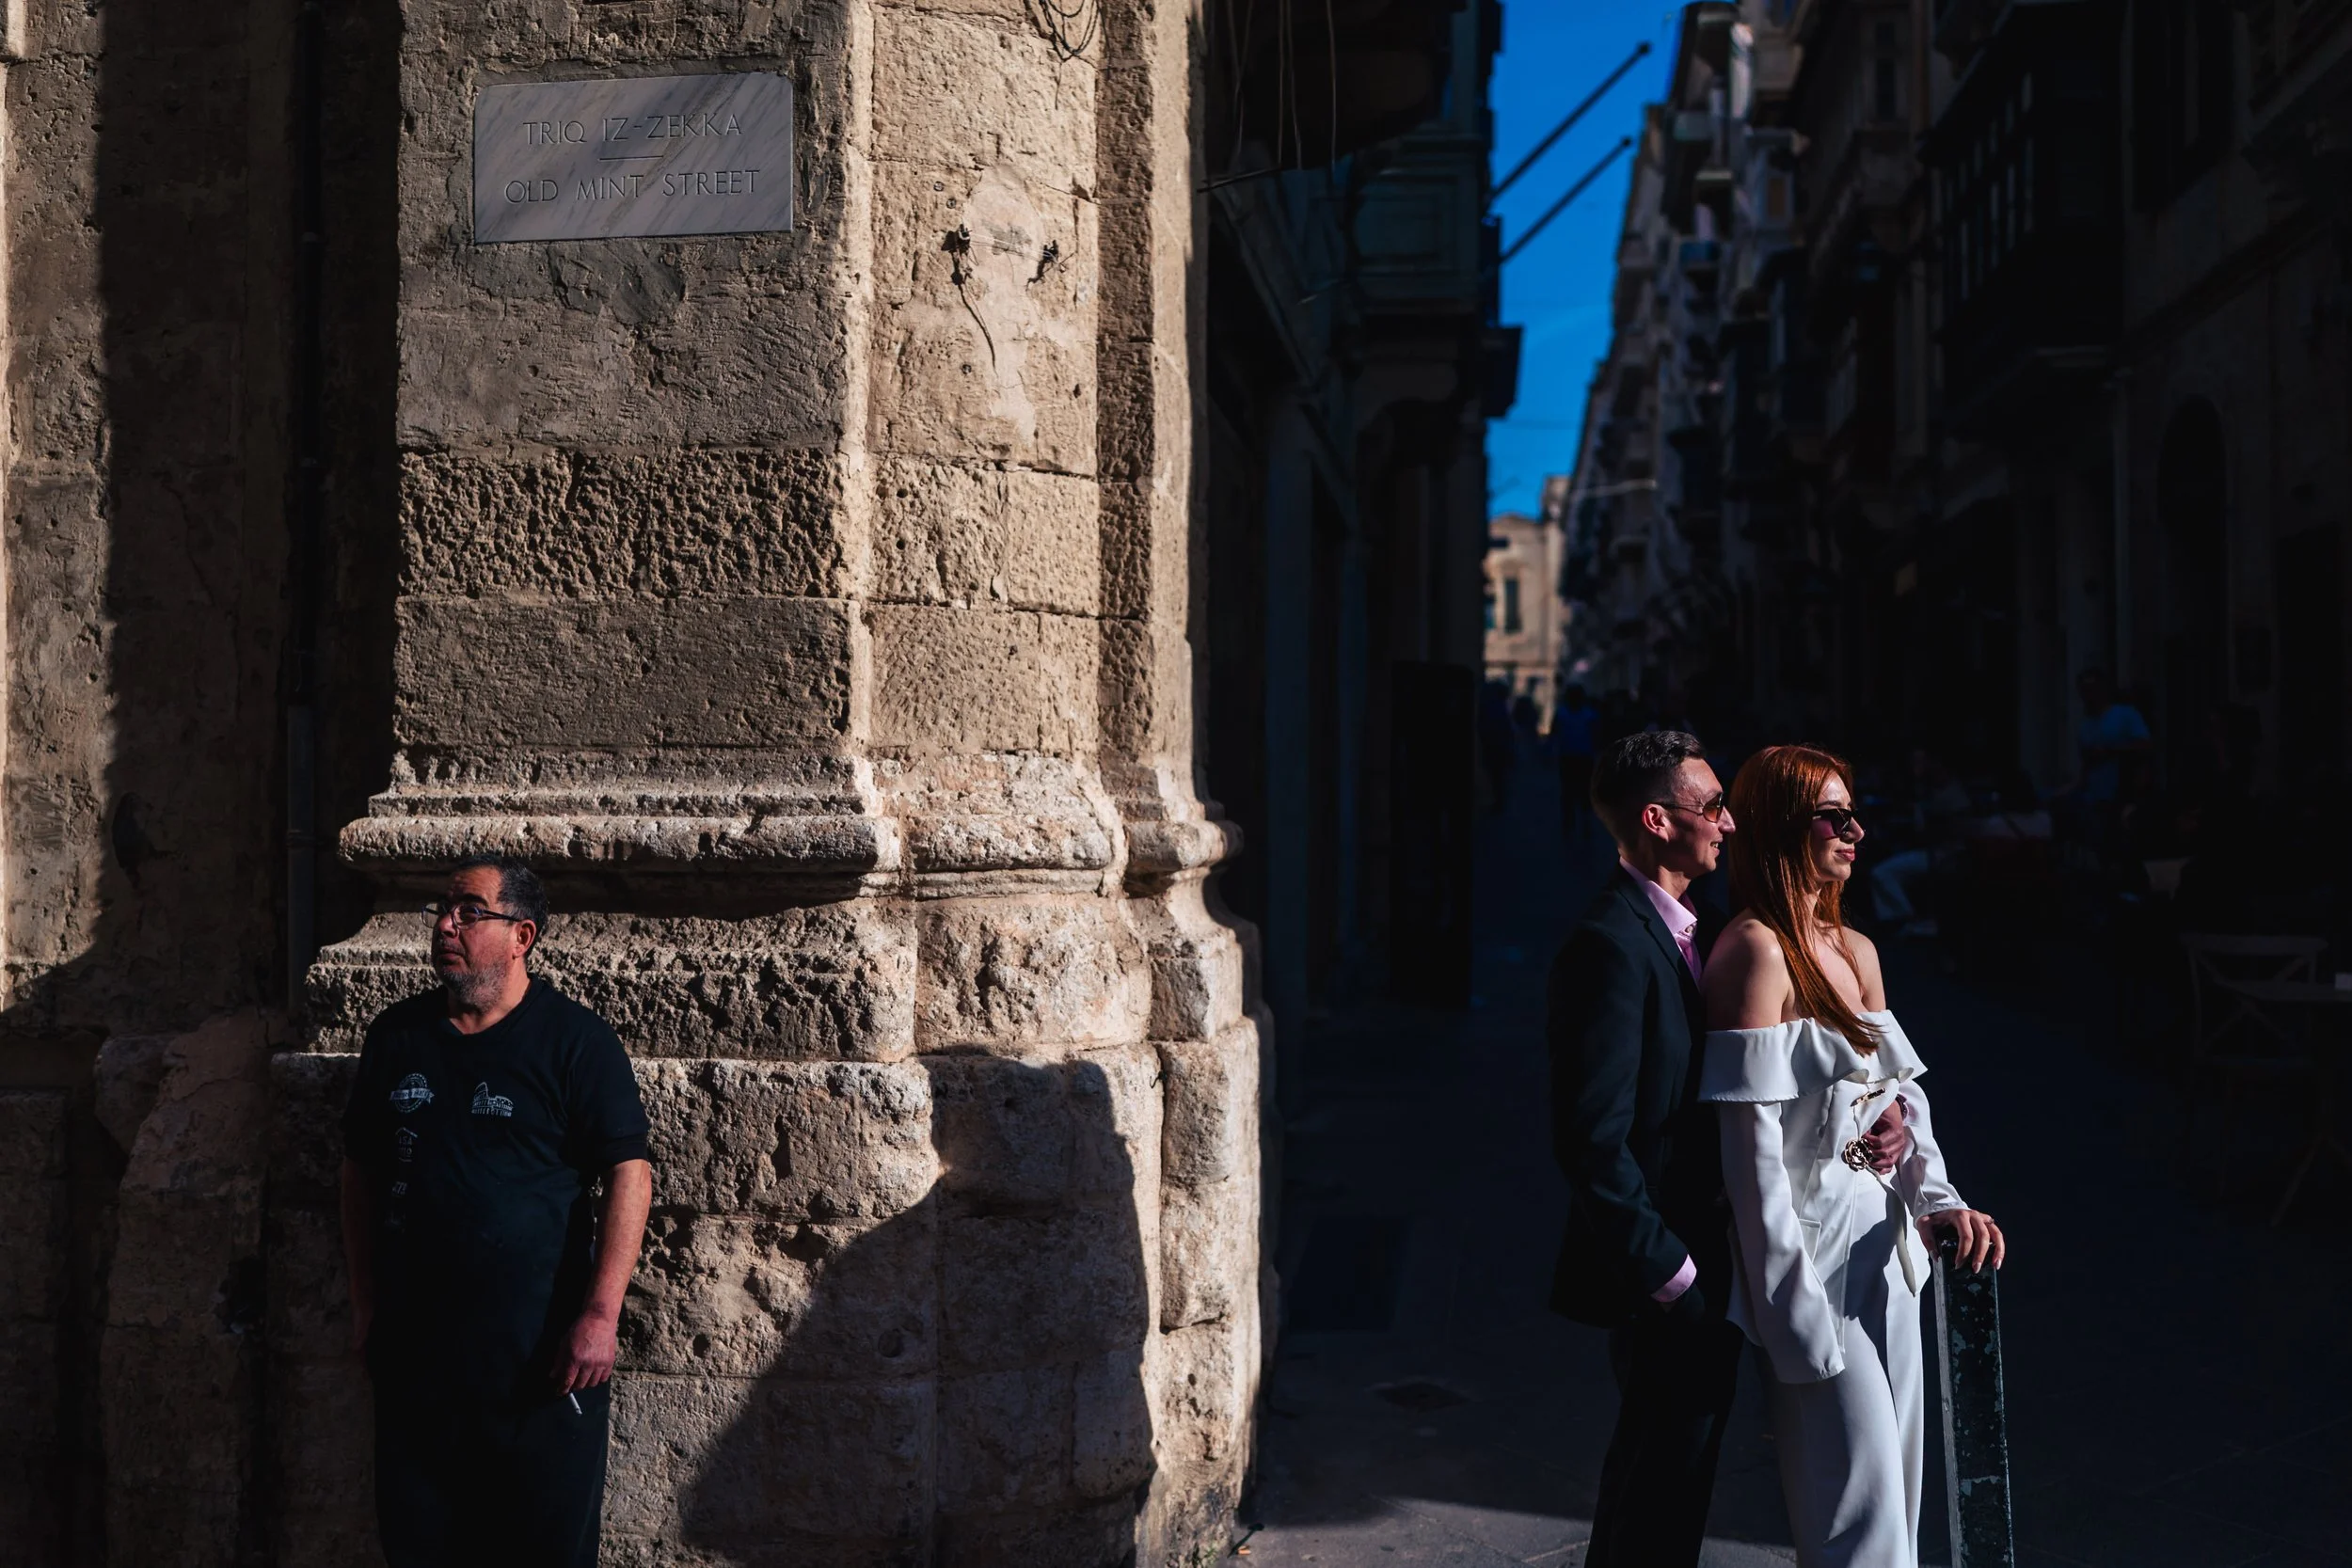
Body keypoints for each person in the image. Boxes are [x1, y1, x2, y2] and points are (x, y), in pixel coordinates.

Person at [1546, 733, 1907, 1567]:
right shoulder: (1611, 941)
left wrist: (1882, 1125)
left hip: (1723, 1256)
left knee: (1675, 1488)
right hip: (1674, 1273)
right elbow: (1591, 1139)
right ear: (1657, 820)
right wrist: (1671, 1273)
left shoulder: (1693, 930)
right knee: (1654, 1492)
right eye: (1712, 806)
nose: (1730, 821)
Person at [1698, 746, 2005, 1568]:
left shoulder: (1857, 948)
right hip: (1813, 1266)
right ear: (1781, 828)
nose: (1856, 831)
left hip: (1889, 1252)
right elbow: (1751, 1154)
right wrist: (1785, 1306)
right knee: (1856, 1523)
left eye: (1853, 811)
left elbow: (1903, 1099)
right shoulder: (1754, 952)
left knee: (1898, 1504)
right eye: (1834, 816)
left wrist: (1938, 1196)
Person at [341, 855, 654, 1568]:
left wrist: (600, 1316)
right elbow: (358, 1171)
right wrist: (364, 1301)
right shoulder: (398, 1037)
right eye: (444, 910)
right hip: (418, 1371)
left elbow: (629, 1172)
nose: (448, 924)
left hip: (542, 1374)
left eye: (470, 911)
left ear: (522, 936)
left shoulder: (576, 1042)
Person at [2072, 668, 2152, 811]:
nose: (2088, 695)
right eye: (2083, 690)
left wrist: (2110, 750)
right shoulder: (2085, 726)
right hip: (2093, 800)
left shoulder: (2126, 714)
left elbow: (2144, 747)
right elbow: (2086, 767)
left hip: (2124, 797)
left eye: (2092, 689)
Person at [1551, 683, 1602, 844]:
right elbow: (1597, 736)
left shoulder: (1562, 713)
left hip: (1570, 757)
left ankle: (1571, 823)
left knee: (1569, 791)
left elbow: (1554, 733)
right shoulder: (1589, 715)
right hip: (1582, 757)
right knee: (1582, 791)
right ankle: (1582, 822)